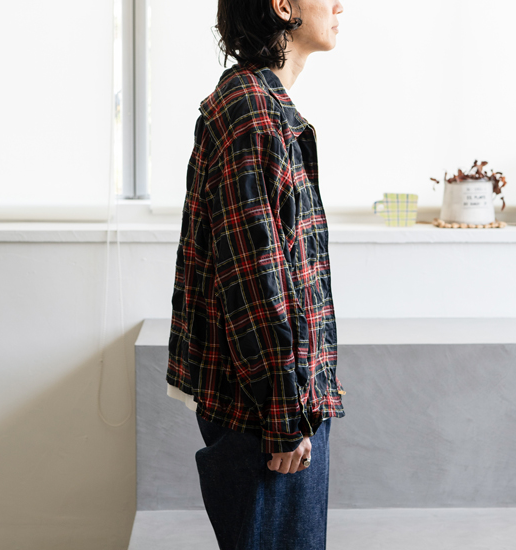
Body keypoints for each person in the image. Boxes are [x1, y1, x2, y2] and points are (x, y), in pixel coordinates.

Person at [166, 0, 345, 548]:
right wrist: (285, 416)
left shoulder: (261, 105)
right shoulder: (253, 112)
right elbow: (254, 280)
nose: (340, 4)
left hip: (275, 401)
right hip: (265, 413)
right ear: (283, 6)